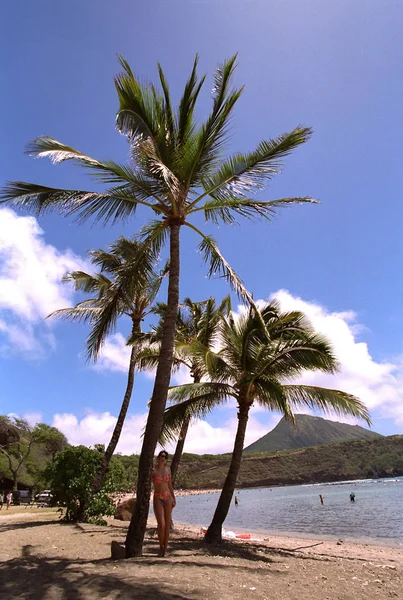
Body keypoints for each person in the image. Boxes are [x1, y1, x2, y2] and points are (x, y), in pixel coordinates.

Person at [152, 450, 176, 557]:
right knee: (161, 524)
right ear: (158, 458)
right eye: (161, 456)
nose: (163, 458)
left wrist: (174, 497)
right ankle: (160, 546)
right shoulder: (153, 470)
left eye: (165, 457)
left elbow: (170, 484)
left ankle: (164, 549)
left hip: (168, 497)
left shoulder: (168, 470)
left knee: (167, 525)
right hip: (158, 497)